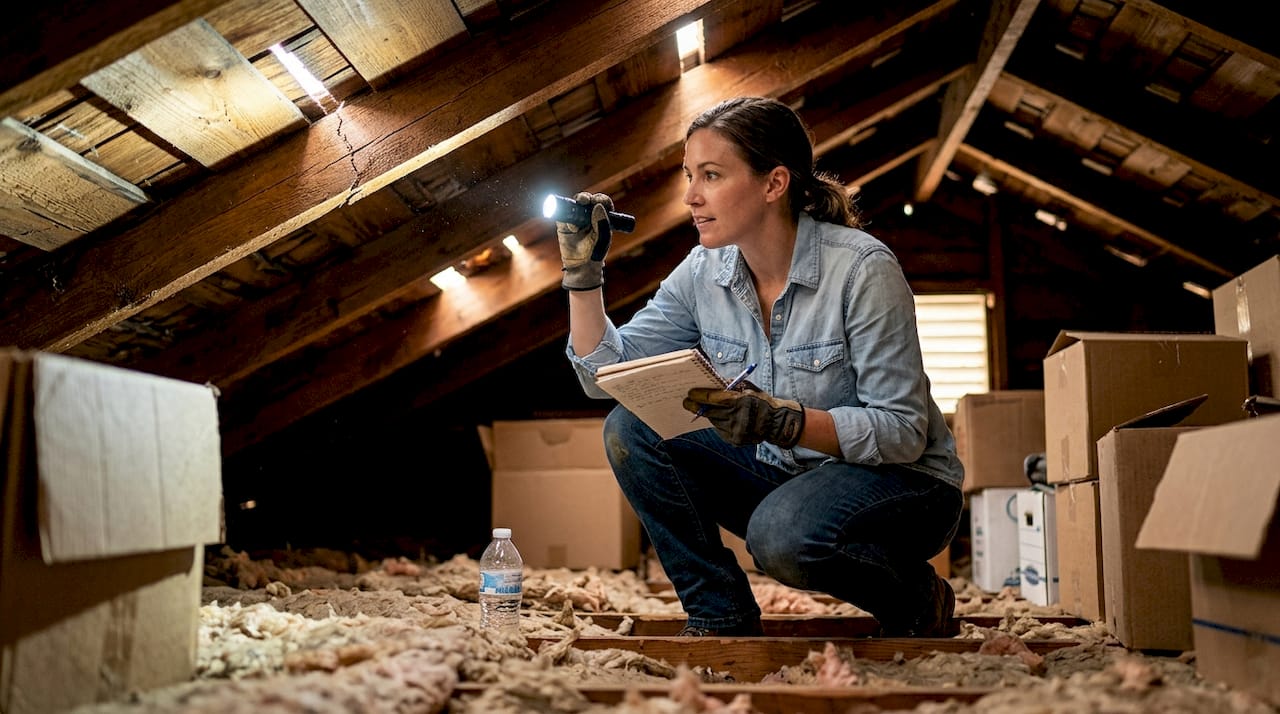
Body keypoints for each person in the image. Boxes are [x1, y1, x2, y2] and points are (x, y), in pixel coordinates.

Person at [558, 96, 964, 637]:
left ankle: (918, 597)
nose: (691, 196)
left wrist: (785, 420)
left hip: (906, 488)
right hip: (788, 478)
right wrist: (584, 278)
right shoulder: (704, 270)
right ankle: (719, 614)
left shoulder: (863, 269)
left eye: (711, 175)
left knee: (781, 538)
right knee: (632, 429)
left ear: (774, 184)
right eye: (689, 175)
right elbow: (603, 380)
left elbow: (904, 432)